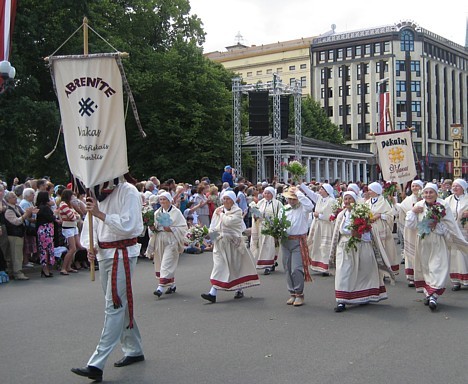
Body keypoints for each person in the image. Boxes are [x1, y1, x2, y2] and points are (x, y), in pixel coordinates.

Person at [71, 177, 145, 382]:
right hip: (104, 254)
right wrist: (91, 246)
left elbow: (129, 226)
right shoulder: (95, 194)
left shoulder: (128, 191)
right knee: (119, 305)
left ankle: (96, 363)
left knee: (114, 306)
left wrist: (99, 213)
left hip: (122, 253)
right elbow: (90, 224)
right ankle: (134, 348)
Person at [406, 183, 468, 311]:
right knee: (426, 268)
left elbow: (450, 224)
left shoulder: (442, 205)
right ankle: (429, 293)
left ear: (436, 193)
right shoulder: (419, 205)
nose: (428, 195)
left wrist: (437, 226)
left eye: (431, 192)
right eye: (426, 192)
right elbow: (411, 225)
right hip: (423, 242)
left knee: (437, 267)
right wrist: (412, 212)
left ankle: (433, 295)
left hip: (438, 241)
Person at [329, 192, 392, 313]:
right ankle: (341, 300)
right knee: (343, 271)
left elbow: (369, 230)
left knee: (364, 271)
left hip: (362, 244)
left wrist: (360, 233)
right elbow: (338, 232)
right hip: (345, 246)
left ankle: (363, 295)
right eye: (345, 199)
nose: (347, 201)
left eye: (350, 199)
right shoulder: (342, 215)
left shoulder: (362, 212)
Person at [201, 191, 260, 303]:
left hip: (233, 243)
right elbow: (214, 226)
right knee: (219, 266)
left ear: (233, 200)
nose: (226, 201)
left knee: (235, 266)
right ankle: (212, 292)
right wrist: (208, 236)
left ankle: (239, 288)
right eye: (224, 199)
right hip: (220, 243)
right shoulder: (218, 210)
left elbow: (229, 222)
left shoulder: (237, 211)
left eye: (228, 199)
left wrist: (221, 214)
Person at [280, 186, 314, 307]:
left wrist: (299, 193)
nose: (291, 201)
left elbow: (310, 205)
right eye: (289, 199)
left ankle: (299, 293)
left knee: (296, 268)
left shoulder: (303, 209)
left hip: (298, 241)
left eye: (293, 199)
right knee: (287, 268)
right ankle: (292, 292)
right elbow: (279, 222)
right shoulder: (284, 208)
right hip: (285, 241)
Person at [151, 192, 188, 297]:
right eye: (161, 199)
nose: (162, 201)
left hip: (172, 240)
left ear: (169, 200)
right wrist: (152, 228)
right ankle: (171, 285)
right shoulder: (157, 213)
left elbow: (183, 228)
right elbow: (155, 227)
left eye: (164, 199)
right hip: (160, 239)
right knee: (162, 262)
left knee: (167, 262)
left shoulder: (176, 213)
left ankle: (160, 287)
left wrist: (171, 229)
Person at [366, 182, 399, 275]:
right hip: (370, 227)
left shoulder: (384, 201)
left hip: (381, 228)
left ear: (376, 191)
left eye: (370, 190)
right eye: (368, 190)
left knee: (383, 249)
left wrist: (380, 215)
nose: (369, 192)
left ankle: (385, 271)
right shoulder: (368, 202)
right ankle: (375, 270)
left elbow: (390, 215)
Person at [250, 186, 283, 275]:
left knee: (271, 246)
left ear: (272, 194)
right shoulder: (260, 203)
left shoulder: (278, 204)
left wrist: (277, 224)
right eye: (265, 193)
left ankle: (268, 265)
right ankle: (270, 262)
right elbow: (256, 214)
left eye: (269, 193)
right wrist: (255, 216)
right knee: (263, 246)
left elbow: (281, 215)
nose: (267, 195)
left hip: (272, 228)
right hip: (262, 228)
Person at [397, 180, 423, 287]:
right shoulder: (406, 201)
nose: (415, 188)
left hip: (423, 230)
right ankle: (411, 277)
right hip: (411, 232)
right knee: (411, 253)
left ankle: (422, 276)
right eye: (413, 186)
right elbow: (401, 214)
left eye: (417, 186)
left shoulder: (427, 199)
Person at [306, 183, 336, 275]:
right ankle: (318, 265)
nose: (320, 191)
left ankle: (326, 267)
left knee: (325, 246)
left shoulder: (331, 201)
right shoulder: (319, 199)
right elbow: (309, 193)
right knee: (317, 244)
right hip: (318, 225)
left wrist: (319, 215)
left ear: (327, 191)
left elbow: (331, 216)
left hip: (326, 226)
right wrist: (300, 184)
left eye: (322, 189)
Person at [4, 191, 34, 280]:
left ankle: (14, 272)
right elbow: (16, 222)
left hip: (19, 234)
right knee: (16, 255)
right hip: (14, 235)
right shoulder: (8, 210)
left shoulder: (17, 207)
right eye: (13, 197)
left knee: (18, 254)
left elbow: (25, 214)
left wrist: (31, 212)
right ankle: (17, 273)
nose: (16, 198)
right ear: (8, 199)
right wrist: (25, 215)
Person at [445, 179, 468, 291]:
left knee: (464, 254)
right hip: (452, 232)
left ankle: (466, 279)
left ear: (463, 188)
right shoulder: (447, 200)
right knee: (454, 255)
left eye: (457, 186)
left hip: (465, 231)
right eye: (453, 186)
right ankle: (456, 281)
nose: (454, 188)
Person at [58, 189, 83, 275]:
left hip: (73, 226)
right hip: (68, 228)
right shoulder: (63, 205)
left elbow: (77, 215)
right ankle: (63, 268)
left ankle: (68, 266)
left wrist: (75, 216)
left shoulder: (69, 205)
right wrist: (75, 216)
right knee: (72, 248)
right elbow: (72, 216)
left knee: (76, 246)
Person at [35, 191, 56, 277]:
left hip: (43, 229)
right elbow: (51, 218)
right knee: (46, 250)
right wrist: (55, 215)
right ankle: (45, 268)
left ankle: (45, 268)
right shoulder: (45, 208)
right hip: (45, 230)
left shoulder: (39, 207)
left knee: (44, 249)